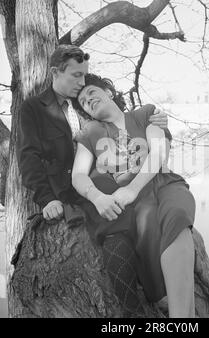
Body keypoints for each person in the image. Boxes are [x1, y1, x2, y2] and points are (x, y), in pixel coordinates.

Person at [17, 44, 169, 317]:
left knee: (143, 219)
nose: (82, 81)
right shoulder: (34, 108)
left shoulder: (87, 106)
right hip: (75, 194)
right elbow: (28, 157)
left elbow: (130, 132)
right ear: (55, 72)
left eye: (85, 76)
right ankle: (133, 314)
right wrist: (47, 198)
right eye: (76, 75)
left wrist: (157, 121)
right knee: (114, 235)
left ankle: (158, 292)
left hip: (117, 186)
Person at [72, 74, 196, 318]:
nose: (88, 100)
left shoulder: (144, 114)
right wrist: (97, 197)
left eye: (91, 93)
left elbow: (159, 151)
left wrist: (132, 188)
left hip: (162, 183)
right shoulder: (90, 133)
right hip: (135, 202)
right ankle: (164, 297)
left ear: (107, 91)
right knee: (145, 224)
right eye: (83, 102)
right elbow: (78, 175)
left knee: (177, 215)